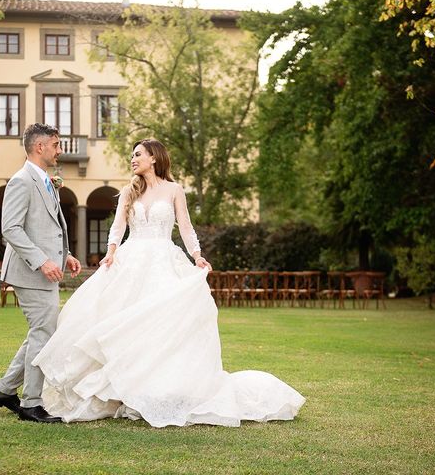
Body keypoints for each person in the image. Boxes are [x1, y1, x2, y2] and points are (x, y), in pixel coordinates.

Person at [33, 138, 305, 427]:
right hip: (132, 260)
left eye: (138, 154)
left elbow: (185, 227)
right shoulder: (128, 191)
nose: (133, 159)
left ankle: (156, 388)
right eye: (132, 155)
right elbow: (118, 227)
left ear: (154, 158)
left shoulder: (175, 190)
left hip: (164, 260)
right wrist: (111, 252)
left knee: (162, 325)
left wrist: (198, 256)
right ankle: (123, 389)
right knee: (125, 323)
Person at [0, 123, 82, 423]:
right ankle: (30, 404)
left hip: (44, 271)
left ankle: (4, 390)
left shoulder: (44, 180)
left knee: (41, 333)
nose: (60, 150)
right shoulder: (21, 181)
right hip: (30, 273)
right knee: (44, 333)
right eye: (56, 144)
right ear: (39, 147)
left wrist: (64, 255)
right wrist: (42, 261)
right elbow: (11, 228)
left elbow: (43, 227)